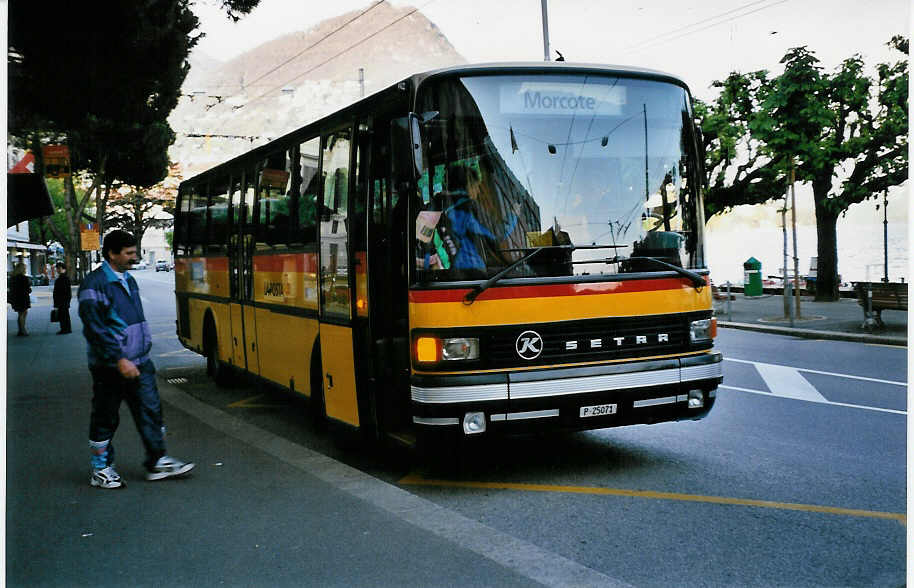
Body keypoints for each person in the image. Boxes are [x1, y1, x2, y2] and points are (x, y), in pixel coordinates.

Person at [78, 230, 194, 489]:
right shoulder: (94, 285)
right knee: (106, 416)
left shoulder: (129, 280)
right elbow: (94, 328)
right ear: (112, 254)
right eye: (129, 253)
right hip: (110, 366)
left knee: (151, 411)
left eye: (135, 251)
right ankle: (101, 469)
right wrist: (119, 358)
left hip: (140, 361)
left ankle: (157, 461)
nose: (135, 257)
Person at [8, 262, 32, 336]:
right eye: (24, 268)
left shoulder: (12, 278)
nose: (25, 270)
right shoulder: (24, 278)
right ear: (22, 269)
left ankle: (20, 329)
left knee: (20, 313)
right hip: (23, 298)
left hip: (15, 298)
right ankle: (22, 330)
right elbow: (28, 289)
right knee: (23, 313)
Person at [52, 262, 72, 334]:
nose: (57, 270)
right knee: (64, 315)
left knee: (63, 315)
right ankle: (66, 328)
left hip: (62, 300)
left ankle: (65, 329)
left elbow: (65, 291)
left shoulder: (63, 278)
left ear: (64, 269)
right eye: (57, 268)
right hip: (63, 300)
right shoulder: (62, 278)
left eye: (59, 268)